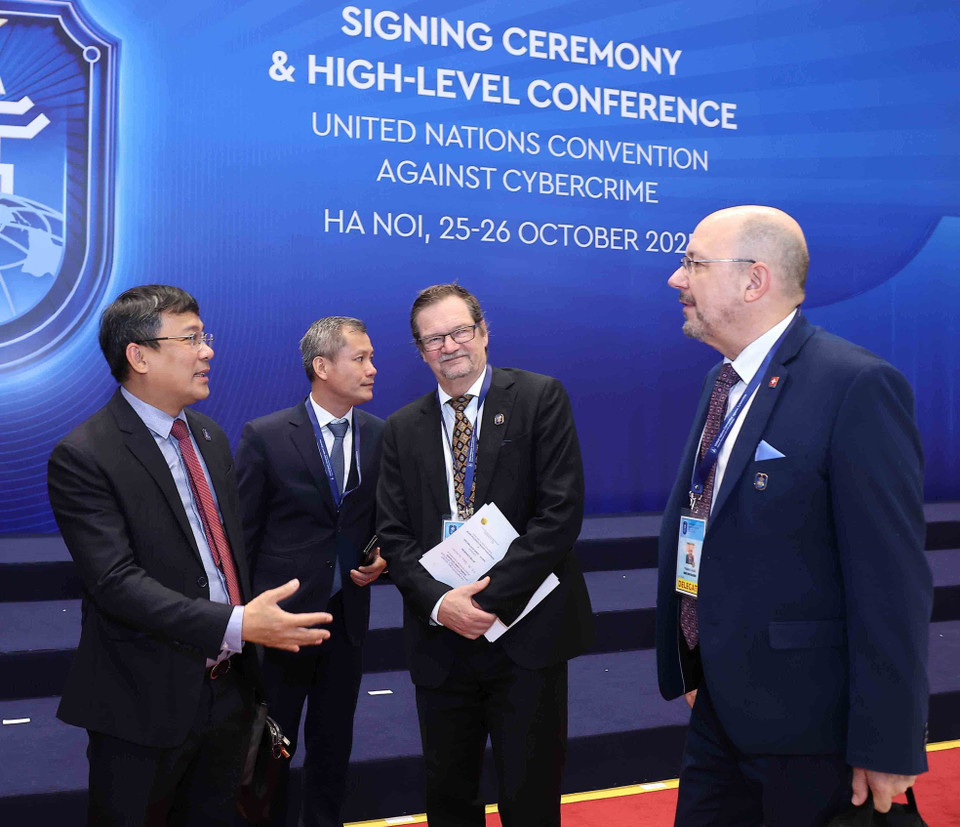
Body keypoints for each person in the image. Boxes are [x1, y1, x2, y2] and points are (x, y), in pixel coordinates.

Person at [655, 206, 933, 826]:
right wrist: (695, 657)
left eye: (693, 263)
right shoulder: (721, 383)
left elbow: (891, 581)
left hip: (811, 728)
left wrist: (889, 739)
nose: (676, 279)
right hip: (720, 708)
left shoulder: (856, 385)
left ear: (754, 280)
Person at [47, 284, 332, 826]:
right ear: (139, 356)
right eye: (191, 338)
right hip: (142, 703)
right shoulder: (85, 455)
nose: (208, 351)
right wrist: (237, 623)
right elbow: (115, 583)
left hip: (229, 692)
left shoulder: (208, 436)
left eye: (206, 336)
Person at [377, 283, 595, 827]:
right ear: (420, 351)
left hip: (526, 632)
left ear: (484, 332)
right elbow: (394, 536)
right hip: (441, 640)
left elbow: (560, 513)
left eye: (460, 331)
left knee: (530, 796)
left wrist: (487, 601)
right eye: (434, 339)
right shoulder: (401, 428)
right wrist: (442, 604)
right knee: (450, 797)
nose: (449, 346)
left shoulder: (540, 398)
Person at [236, 316, 386, 827]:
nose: (372, 368)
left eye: (371, 357)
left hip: (346, 619)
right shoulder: (266, 435)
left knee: (333, 746)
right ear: (322, 367)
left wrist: (383, 554)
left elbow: (384, 520)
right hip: (280, 622)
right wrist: (243, 619)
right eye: (360, 358)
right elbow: (243, 534)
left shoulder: (380, 434)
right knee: (270, 749)